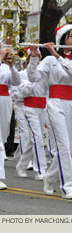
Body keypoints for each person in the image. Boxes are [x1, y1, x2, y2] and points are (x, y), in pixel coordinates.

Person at [27, 24, 72, 199]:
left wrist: (56, 54)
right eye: (70, 36)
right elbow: (33, 78)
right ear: (62, 39)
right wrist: (33, 59)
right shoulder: (50, 61)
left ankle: (50, 178)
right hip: (55, 103)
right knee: (63, 147)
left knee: (68, 147)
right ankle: (68, 187)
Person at [16, 48, 49, 181]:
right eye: (32, 57)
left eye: (37, 57)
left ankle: (21, 165)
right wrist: (33, 78)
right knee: (37, 138)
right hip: (29, 107)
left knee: (33, 139)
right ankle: (40, 169)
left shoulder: (44, 72)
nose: (36, 59)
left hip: (42, 107)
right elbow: (23, 91)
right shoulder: (22, 74)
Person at [0, 47, 21, 190]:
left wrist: (12, 66)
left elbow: (16, 81)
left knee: (2, 136)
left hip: (5, 100)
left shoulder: (6, 67)